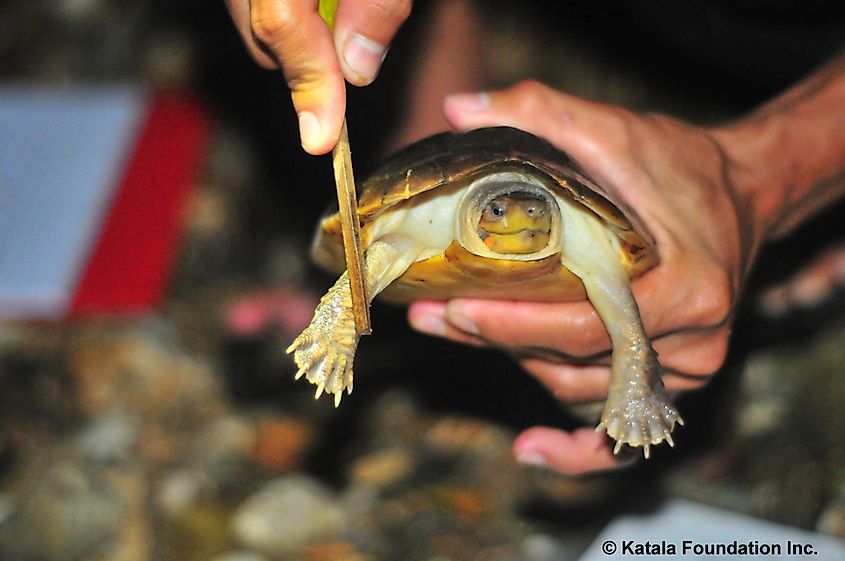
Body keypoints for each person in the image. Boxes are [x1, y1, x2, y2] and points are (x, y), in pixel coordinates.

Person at [225, 0, 845, 474]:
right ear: (476, 213)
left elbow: (628, 328)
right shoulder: (432, 214)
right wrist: (337, 319)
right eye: (500, 214)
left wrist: (757, 178)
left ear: (555, 213)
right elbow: (370, 262)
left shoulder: (584, 233)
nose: (518, 224)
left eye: (535, 215)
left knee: (643, 319)